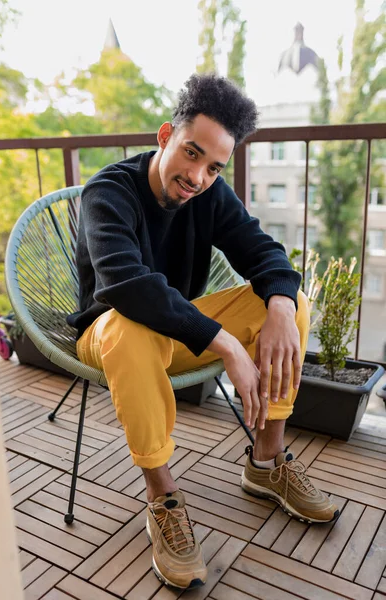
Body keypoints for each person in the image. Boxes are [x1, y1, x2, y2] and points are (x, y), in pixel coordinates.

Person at [68, 73, 339, 590]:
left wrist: (280, 301)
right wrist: (227, 344)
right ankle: (163, 497)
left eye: (213, 166)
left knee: (288, 303)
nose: (198, 176)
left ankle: (266, 461)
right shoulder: (109, 191)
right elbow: (128, 285)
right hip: (108, 334)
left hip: (177, 334)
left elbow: (263, 252)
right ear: (166, 136)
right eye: (191, 154)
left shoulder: (209, 195)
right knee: (129, 326)